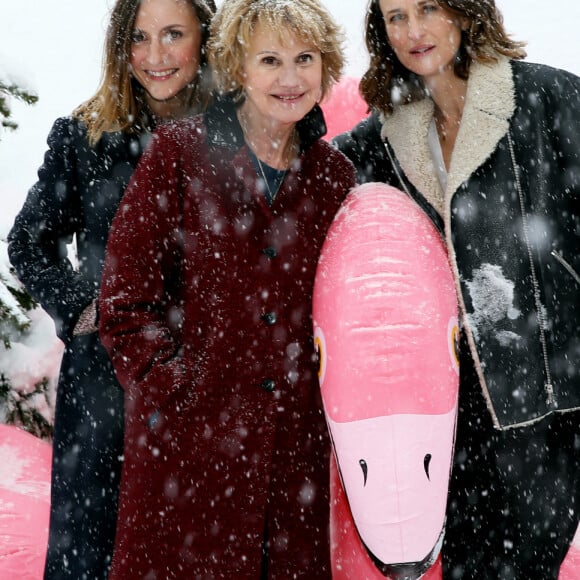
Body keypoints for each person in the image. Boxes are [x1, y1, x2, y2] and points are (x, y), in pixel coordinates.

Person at [97, 0, 355, 577]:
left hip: (294, 465)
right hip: (185, 460)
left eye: (305, 59)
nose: (290, 79)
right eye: (269, 59)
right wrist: (174, 392)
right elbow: (123, 302)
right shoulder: (178, 154)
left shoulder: (335, 177)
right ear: (238, 68)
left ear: (325, 67)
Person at [332, 0, 580, 578]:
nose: (413, 31)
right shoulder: (383, 139)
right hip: (452, 416)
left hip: (545, 404)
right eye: (395, 17)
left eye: (428, 8)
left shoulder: (548, 98)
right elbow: (310, 180)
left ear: (465, 12)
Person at [7, 0, 215, 577]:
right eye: (139, 38)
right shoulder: (84, 134)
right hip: (105, 388)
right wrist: (78, 308)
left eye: (173, 34)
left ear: (206, 35)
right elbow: (28, 241)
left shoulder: (237, 130)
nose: (154, 56)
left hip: (199, 378)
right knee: (91, 555)